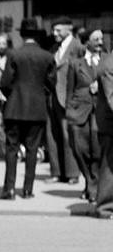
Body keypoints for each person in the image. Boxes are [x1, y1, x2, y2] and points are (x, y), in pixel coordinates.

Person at [0, 23, 55, 199]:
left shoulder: (14, 54)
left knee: (12, 148)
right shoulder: (47, 56)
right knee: (32, 149)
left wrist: (13, 94)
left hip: (15, 107)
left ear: (22, 35)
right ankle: (28, 190)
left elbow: (5, 83)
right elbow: (52, 83)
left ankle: (9, 189)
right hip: (37, 109)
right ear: (37, 36)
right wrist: (40, 93)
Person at [64, 29, 104, 202]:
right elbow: (69, 90)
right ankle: (89, 181)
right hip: (78, 111)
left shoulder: (107, 61)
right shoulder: (75, 63)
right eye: (96, 39)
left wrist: (99, 86)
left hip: (100, 111)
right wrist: (69, 111)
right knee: (80, 149)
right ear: (87, 42)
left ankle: (93, 186)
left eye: (101, 39)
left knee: (97, 150)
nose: (100, 42)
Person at [50, 17, 85, 183]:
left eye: (58, 30)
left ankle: (72, 173)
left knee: (67, 135)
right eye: (53, 30)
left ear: (69, 29)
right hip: (53, 97)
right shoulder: (54, 48)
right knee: (53, 135)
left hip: (68, 98)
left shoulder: (78, 47)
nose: (54, 33)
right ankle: (57, 172)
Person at [92, 43, 113, 219]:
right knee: (108, 166)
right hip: (110, 125)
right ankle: (105, 207)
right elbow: (112, 97)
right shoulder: (109, 65)